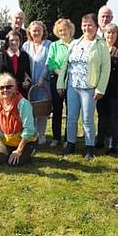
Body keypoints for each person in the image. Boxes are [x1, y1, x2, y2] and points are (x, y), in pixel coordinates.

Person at [57, 13, 111, 160]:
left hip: (89, 87)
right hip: (73, 86)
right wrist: (61, 83)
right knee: (71, 117)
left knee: (87, 119)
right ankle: (70, 144)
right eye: (84, 25)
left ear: (96, 27)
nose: (87, 28)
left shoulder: (101, 44)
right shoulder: (75, 43)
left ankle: (89, 148)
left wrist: (100, 89)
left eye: (90, 25)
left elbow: (106, 68)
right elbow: (65, 65)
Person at [0, 73, 38, 166]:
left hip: (26, 141)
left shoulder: (23, 104)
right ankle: (11, 152)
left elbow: (29, 130)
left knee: (15, 163)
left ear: (15, 88)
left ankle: (29, 150)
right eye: (1, 88)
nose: (5, 90)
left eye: (8, 87)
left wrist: (19, 150)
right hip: (7, 142)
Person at [96, 23, 118, 154]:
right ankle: (100, 139)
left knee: (114, 116)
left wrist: (114, 63)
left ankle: (112, 143)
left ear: (117, 35)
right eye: (108, 33)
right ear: (104, 34)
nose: (110, 35)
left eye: (113, 33)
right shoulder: (99, 48)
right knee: (102, 115)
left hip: (116, 89)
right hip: (101, 88)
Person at [21, 20, 51, 145]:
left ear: (43, 31)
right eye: (34, 30)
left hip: (43, 82)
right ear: (29, 32)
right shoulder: (26, 45)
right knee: (30, 108)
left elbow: (50, 62)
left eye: (39, 30)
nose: (36, 33)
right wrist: (26, 77)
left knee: (42, 108)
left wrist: (43, 77)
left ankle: (42, 134)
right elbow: (22, 62)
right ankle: (32, 133)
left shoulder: (48, 44)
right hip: (29, 83)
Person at [46, 18, 74, 148]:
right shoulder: (54, 45)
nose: (63, 32)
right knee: (57, 109)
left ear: (70, 30)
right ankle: (56, 137)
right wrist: (61, 75)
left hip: (73, 80)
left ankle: (69, 138)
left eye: (65, 30)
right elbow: (51, 63)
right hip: (56, 79)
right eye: (60, 30)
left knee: (71, 110)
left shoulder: (76, 43)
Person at [0, 32, 32, 96]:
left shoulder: (24, 56)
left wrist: (27, 82)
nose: (14, 42)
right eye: (12, 40)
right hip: (6, 92)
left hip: (21, 93)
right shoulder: (1, 56)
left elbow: (27, 74)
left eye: (17, 40)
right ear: (8, 42)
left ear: (20, 41)